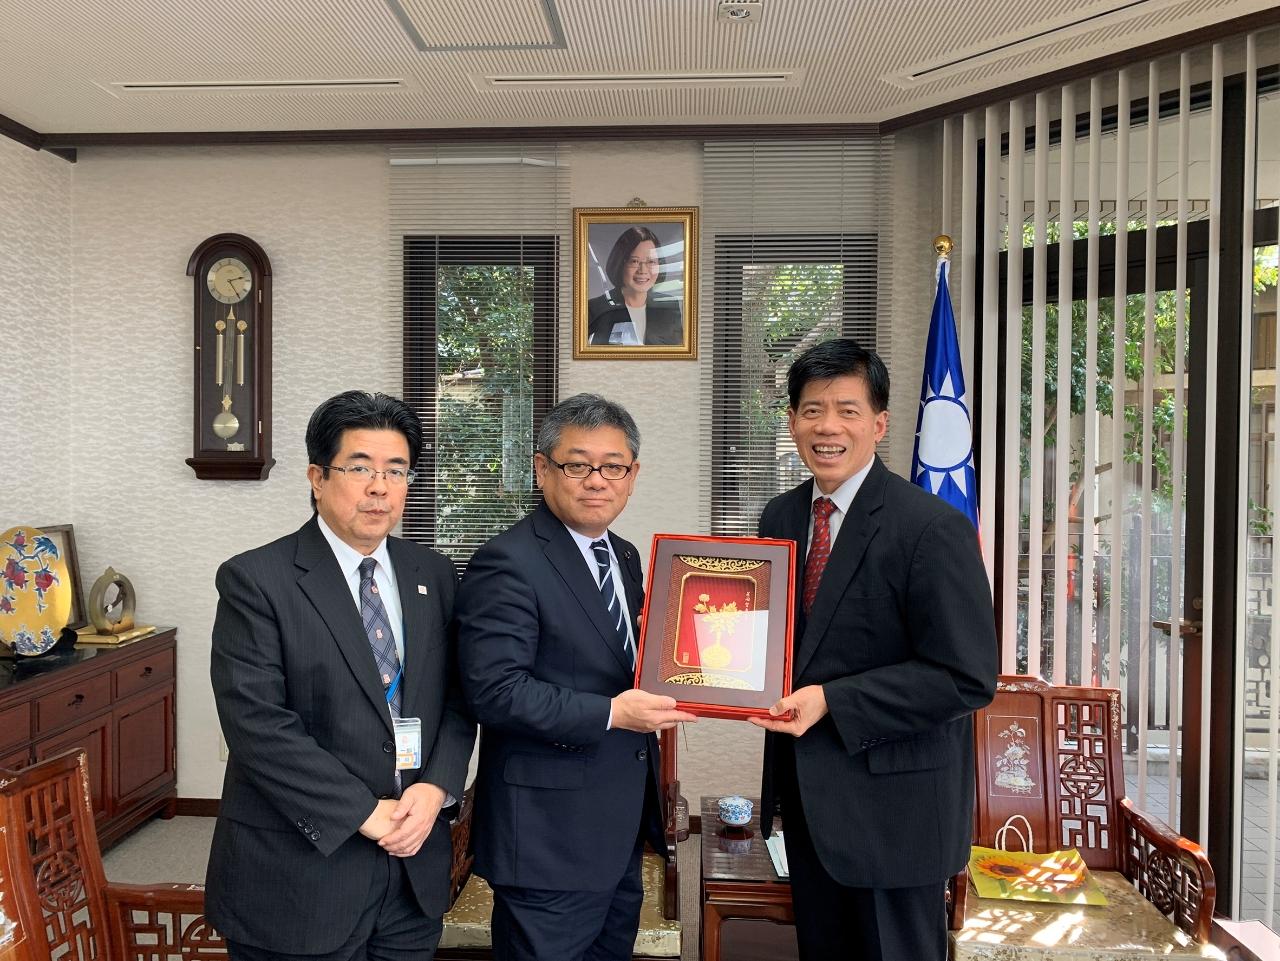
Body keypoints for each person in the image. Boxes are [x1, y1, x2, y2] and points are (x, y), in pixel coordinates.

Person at [749, 339, 997, 961]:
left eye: (847, 410)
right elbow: (773, 639)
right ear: (792, 421)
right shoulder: (779, 517)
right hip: (808, 806)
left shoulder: (931, 527)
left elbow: (966, 677)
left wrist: (833, 700)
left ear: (880, 424)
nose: (827, 427)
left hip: (898, 816)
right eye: (812, 410)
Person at [206, 390, 476, 961]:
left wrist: (436, 788)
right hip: (301, 875)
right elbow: (257, 725)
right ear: (317, 478)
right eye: (359, 468)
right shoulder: (256, 580)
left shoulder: (433, 573)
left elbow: (457, 697)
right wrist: (365, 813)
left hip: (412, 867)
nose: (379, 487)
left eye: (396, 470)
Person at [456, 393, 696, 961]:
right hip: (548, 837)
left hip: (617, 828)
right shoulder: (507, 561)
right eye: (577, 465)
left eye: (613, 466)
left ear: (632, 475)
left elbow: (624, 661)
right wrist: (613, 713)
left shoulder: (626, 556)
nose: (596, 481)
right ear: (542, 469)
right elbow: (495, 692)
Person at [587, 226, 683, 346]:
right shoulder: (594, 308)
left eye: (651, 261)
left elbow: (676, 352)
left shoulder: (669, 306)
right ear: (620, 264)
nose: (643, 270)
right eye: (634, 261)